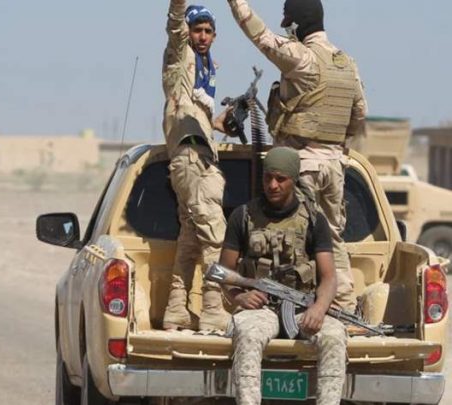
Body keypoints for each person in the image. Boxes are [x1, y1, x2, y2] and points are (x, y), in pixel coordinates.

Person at [224, 0, 367, 312]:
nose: (284, 25)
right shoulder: (347, 64)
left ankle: (296, 309)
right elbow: (359, 113)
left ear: (297, 23)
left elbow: (259, 34)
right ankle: (343, 307)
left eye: (286, 18)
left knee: (296, 238)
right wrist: (337, 147)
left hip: (302, 165)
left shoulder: (302, 58)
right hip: (335, 166)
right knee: (331, 238)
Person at [219, 147, 346, 405]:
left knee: (334, 336)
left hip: (302, 309)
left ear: (294, 179)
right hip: (261, 309)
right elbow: (223, 273)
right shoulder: (243, 216)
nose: (273, 185)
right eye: (268, 177)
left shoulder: (314, 220)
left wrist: (319, 308)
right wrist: (240, 297)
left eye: (281, 179)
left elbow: (329, 277)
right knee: (248, 334)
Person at [161, 0, 231, 331]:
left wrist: (219, 123)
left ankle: (177, 308)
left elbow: (197, 113)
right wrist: (179, 6)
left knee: (191, 237)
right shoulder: (181, 57)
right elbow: (175, 26)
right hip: (189, 156)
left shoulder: (204, 72)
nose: (202, 36)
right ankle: (213, 308)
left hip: (200, 153)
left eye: (208, 31)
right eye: (197, 30)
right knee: (214, 234)